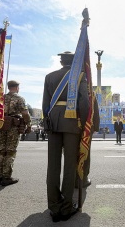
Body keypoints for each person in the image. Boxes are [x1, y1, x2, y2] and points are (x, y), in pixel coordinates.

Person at [42, 51, 89, 222]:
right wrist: (84, 124)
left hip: (53, 121)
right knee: (70, 164)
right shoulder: (80, 76)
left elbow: (45, 104)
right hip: (72, 122)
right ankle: (67, 206)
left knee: (53, 165)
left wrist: (47, 121)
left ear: (61, 61)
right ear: (74, 61)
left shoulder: (50, 76)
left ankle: (54, 206)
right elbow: (84, 102)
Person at [0, 80, 31, 186]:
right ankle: (6, 177)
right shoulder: (19, 98)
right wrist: (28, 124)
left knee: (2, 151)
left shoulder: (2, 97)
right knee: (10, 152)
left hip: (2, 126)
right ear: (17, 87)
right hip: (13, 127)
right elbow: (25, 113)